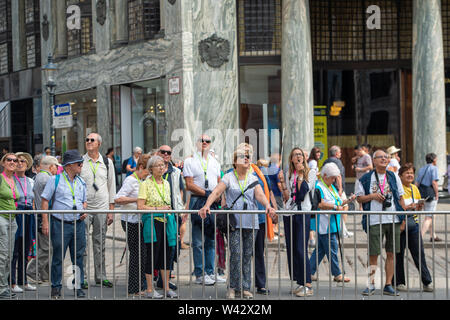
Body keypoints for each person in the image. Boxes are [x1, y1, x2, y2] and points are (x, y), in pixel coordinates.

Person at [199, 145, 276, 299]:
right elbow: (216, 192)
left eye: (248, 156)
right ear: (235, 162)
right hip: (234, 223)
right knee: (236, 254)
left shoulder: (253, 178)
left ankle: (245, 287)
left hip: (251, 222)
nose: (246, 159)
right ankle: (233, 287)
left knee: (247, 255)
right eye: (242, 156)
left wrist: (268, 206)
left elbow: (260, 196)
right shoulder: (229, 177)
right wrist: (207, 205)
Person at [356, 149, 406, 296]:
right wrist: (372, 196)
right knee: (373, 253)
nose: (384, 159)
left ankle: (388, 284)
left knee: (391, 253)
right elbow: (359, 198)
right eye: (380, 157)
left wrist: (403, 218)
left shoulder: (394, 176)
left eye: (386, 157)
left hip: (393, 219)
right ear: (374, 160)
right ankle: (371, 284)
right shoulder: (365, 178)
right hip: (374, 220)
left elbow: (401, 197)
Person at [40, 150, 88, 299]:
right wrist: (45, 222)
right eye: (79, 162)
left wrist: (84, 210)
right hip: (60, 223)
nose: (81, 165)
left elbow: (84, 200)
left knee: (78, 256)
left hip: (78, 224)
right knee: (58, 257)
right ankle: (56, 287)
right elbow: (45, 201)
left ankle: (77, 286)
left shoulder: (81, 181)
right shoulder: (54, 180)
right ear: (69, 165)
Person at [183, 134, 224, 285]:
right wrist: (208, 194)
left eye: (208, 141)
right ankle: (199, 274)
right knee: (198, 240)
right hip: (197, 200)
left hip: (212, 201)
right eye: (202, 140)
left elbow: (219, 182)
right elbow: (189, 184)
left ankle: (210, 272)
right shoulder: (190, 161)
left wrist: (217, 196)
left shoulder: (214, 162)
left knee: (211, 239)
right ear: (197, 143)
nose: (205, 143)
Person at [138, 155, 178, 299]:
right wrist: (158, 208)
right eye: (158, 165)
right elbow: (140, 206)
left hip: (167, 222)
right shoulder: (145, 184)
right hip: (152, 223)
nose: (162, 168)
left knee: (167, 255)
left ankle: (166, 287)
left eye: (163, 165)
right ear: (151, 169)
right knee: (152, 255)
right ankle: (150, 289)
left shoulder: (166, 183)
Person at [80, 133, 116, 289]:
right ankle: (83, 277)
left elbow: (112, 185)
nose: (88, 142)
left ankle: (101, 276)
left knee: (99, 244)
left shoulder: (107, 162)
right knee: (83, 244)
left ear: (99, 143)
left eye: (92, 140)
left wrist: (111, 209)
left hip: (102, 208)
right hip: (84, 209)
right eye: (87, 139)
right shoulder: (80, 161)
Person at [279, 148, 316, 297]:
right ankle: (300, 281)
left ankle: (308, 283)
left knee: (301, 248)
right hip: (289, 213)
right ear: (292, 159)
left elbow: (301, 194)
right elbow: (288, 196)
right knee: (292, 249)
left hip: (302, 213)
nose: (298, 157)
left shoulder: (310, 173)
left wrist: (301, 175)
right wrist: (282, 183)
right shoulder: (289, 173)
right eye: (295, 155)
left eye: (300, 154)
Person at [310, 162, 354, 283]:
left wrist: (348, 200)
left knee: (320, 250)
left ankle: (308, 272)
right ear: (325, 175)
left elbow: (338, 202)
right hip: (325, 223)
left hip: (333, 223)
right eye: (332, 177)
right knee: (332, 248)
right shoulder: (319, 187)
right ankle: (337, 274)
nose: (334, 180)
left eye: (335, 177)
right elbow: (320, 204)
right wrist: (335, 207)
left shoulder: (331, 186)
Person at [115, 154, 150, 296]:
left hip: (141, 221)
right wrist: (137, 199)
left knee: (143, 254)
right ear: (141, 168)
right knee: (136, 254)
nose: (148, 174)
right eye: (147, 171)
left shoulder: (143, 180)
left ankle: (141, 285)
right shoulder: (130, 180)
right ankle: (134, 288)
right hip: (131, 221)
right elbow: (118, 198)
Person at [395, 163, 433, 292]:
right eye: (407, 173)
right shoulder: (397, 189)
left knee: (419, 254)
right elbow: (397, 206)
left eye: (411, 173)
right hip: (399, 225)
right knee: (398, 255)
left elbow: (416, 205)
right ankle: (399, 282)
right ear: (400, 176)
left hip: (413, 225)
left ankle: (427, 282)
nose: (410, 175)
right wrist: (409, 207)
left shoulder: (414, 188)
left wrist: (418, 206)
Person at [27, 156, 59, 284]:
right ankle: (32, 271)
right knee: (47, 248)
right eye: (56, 166)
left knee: (46, 246)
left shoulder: (39, 177)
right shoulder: (47, 179)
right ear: (51, 167)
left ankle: (45, 275)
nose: (57, 169)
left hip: (40, 216)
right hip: (44, 217)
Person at [156, 145, 185, 288]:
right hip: (156, 215)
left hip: (173, 215)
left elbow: (180, 191)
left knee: (172, 248)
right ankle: (157, 277)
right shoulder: (154, 170)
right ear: (158, 153)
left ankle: (165, 280)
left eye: (168, 152)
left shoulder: (176, 172)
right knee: (158, 247)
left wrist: (181, 210)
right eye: (163, 152)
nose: (166, 154)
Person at [10, 152, 36, 293]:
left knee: (25, 250)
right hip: (16, 213)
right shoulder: (11, 180)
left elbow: (33, 201)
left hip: (28, 215)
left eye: (23, 162)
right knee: (15, 250)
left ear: (27, 165)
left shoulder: (31, 181)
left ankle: (23, 280)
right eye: (18, 161)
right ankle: (12, 282)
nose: (20, 164)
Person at [253, 158, 278, 295]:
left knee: (259, 252)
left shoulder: (261, 174)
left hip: (260, 218)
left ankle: (260, 284)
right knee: (240, 253)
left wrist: (274, 209)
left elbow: (269, 192)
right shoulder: (233, 172)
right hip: (241, 219)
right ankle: (237, 284)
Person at [0, 153, 19, 299]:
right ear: (3, 162)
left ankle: (4, 286)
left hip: (13, 220)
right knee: (3, 255)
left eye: (15, 160)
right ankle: (1, 288)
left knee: (10, 256)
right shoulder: (1, 178)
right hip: (2, 219)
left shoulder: (14, 179)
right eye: (9, 160)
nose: (12, 162)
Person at [323, 145, 353, 238]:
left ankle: (340, 229)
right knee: (344, 207)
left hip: (330, 188)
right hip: (336, 188)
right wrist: (340, 189)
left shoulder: (326, 161)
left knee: (338, 208)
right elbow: (338, 175)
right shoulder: (337, 161)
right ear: (336, 153)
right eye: (340, 152)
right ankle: (343, 230)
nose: (340, 154)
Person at [415, 153, 441, 242]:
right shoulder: (434, 168)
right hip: (430, 194)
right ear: (434, 160)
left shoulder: (422, 168)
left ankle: (433, 235)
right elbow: (434, 182)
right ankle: (420, 237)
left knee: (431, 215)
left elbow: (417, 183)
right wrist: (437, 193)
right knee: (429, 217)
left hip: (422, 193)